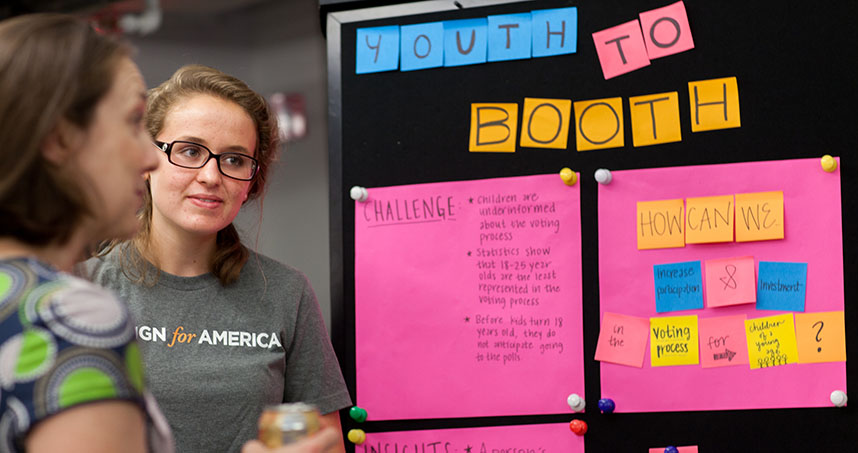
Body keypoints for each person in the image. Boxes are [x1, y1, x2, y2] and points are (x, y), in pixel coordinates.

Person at [1, 13, 342, 453]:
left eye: (235, 160)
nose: (146, 155)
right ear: (60, 139)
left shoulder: (284, 292)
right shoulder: (76, 309)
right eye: (130, 125)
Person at [85, 64, 352, 452]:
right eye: (190, 151)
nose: (211, 176)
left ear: (251, 183)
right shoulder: (85, 287)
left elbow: (326, 445)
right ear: (146, 160)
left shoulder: (284, 293)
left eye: (234, 160)